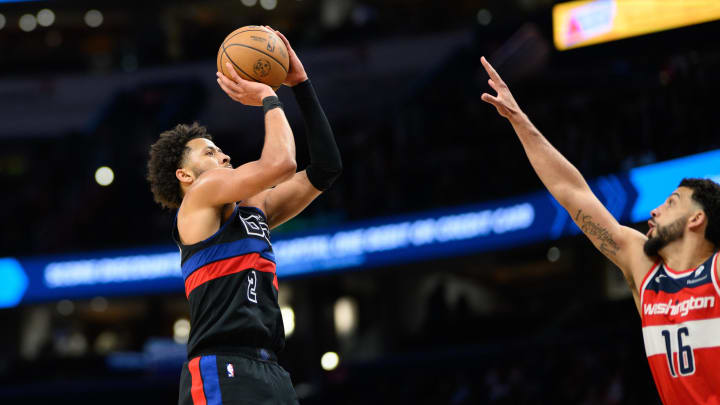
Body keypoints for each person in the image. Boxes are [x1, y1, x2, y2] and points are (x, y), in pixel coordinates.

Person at [479, 56, 720, 405]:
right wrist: (519, 121)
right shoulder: (646, 272)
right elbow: (573, 193)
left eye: (671, 203)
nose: (654, 210)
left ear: (697, 219)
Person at [146, 28, 341, 405]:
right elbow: (282, 163)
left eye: (220, 151)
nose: (223, 156)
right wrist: (269, 96)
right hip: (221, 365)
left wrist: (300, 84)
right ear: (184, 176)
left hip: (270, 368)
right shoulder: (199, 198)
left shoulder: (256, 210)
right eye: (209, 153)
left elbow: (326, 169)